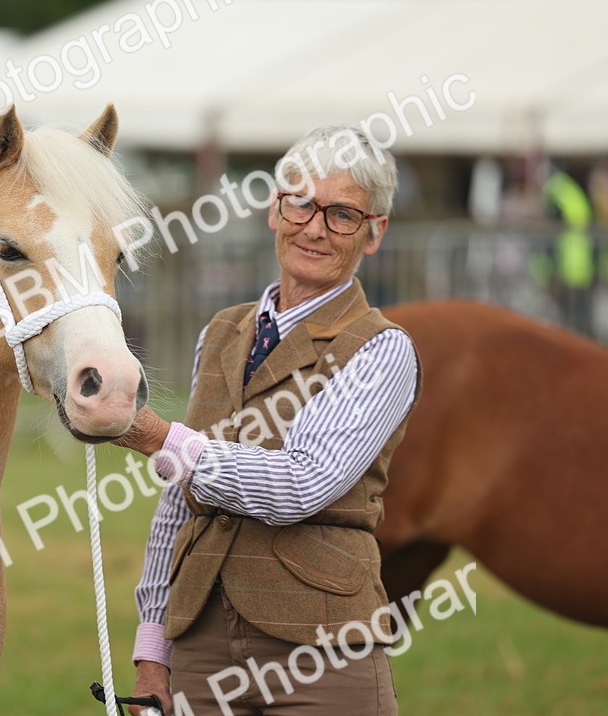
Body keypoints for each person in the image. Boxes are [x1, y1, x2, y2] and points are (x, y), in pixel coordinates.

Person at [113, 125, 422, 716]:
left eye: (342, 214)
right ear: (273, 211)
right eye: (300, 202)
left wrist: (158, 436)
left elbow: (302, 485)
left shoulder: (383, 349)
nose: (314, 226)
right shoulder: (222, 330)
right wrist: (153, 649)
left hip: (321, 650)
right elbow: (178, 503)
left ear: (375, 233)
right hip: (199, 642)